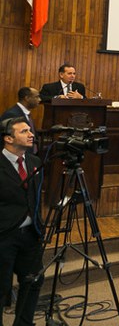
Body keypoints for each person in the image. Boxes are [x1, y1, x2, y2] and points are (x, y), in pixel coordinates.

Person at [0, 117, 44, 325]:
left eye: (30, 130)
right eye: (24, 131)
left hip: (31, 234)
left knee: (34, 280)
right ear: (8, 138)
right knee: (1, 287)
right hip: (4, 235)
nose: (31, 134)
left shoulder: (35, 162)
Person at [0, 88, 42, 153]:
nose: (39, 99)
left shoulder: (26, 113)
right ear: (27, 98)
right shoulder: (12, 114)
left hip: (30, 155)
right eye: (36, 97)